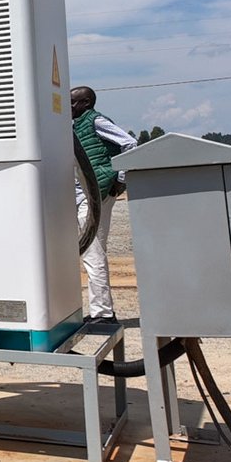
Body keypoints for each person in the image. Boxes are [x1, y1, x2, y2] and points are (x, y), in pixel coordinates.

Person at [70, 86, 136, 321]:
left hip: (97, 193)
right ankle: (100, 310)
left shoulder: (96, 121)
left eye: (73, 103)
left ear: (86, 103)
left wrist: (120, 178)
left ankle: (103, 313)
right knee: (92, 250)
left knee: (92, 251)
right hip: (86, 194)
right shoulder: (77, 126)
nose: (69, 107)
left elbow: (129, 143)